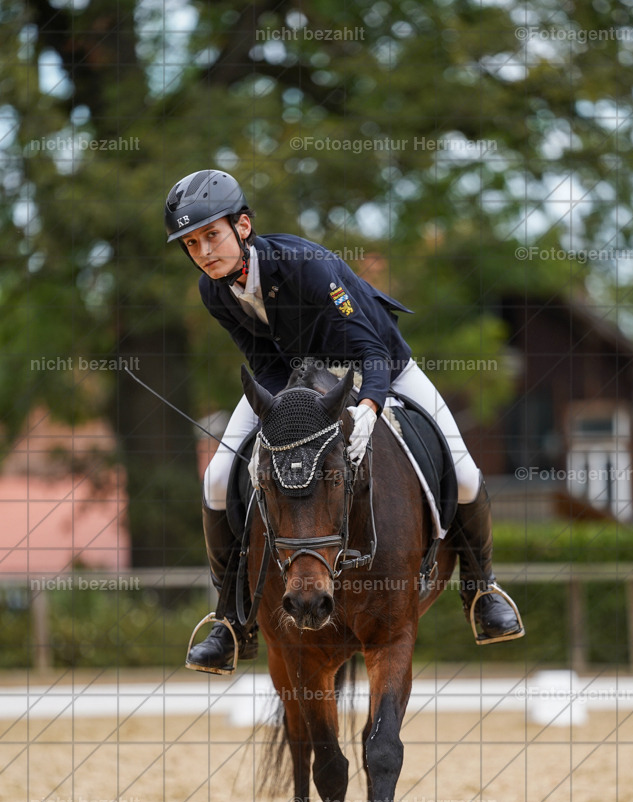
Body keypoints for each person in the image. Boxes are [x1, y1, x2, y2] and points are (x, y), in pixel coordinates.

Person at [164, 169, 524, 673]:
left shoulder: (306, 266)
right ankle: (230, 620)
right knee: (218, 478)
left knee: (462, 471)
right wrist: (284, 409)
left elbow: (370, 350)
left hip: (381, 369)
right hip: (297, 378)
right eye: (192, 244)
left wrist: (369, 407)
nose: (203, 252)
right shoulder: (213, 291)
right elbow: (263, 360)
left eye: (211, 236)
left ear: (242, 226)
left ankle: (483, 591)